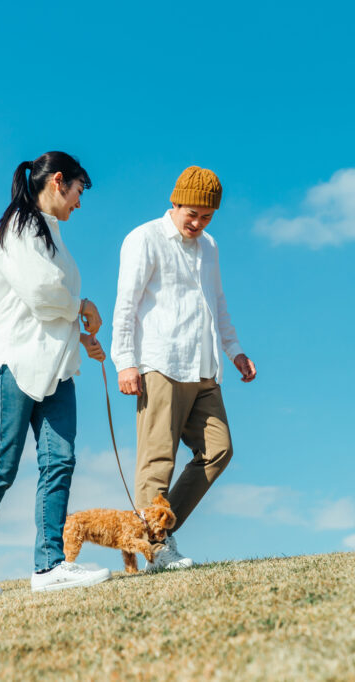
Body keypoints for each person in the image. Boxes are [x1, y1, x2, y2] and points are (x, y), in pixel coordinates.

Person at [0, 152, 112, 597]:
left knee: (60, 462)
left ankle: (50, 565)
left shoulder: (53, 235)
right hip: (14, 365)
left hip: (55, 368)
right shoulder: (19, 227)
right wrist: (82, 306)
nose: (79, 202)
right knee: (1, 467)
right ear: (59, 181)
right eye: (78, 191)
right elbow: (42, 294)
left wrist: (79, 338)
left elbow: (46, 308)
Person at [111, 165, 256, 571]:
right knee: (157, 460)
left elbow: (217, 302)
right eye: (192, 214)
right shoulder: (144, 238)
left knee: (219, 450)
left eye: (207, 216)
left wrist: (234, 350)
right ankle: (157, 549)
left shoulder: (210, 246)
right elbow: (126, 303)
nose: (198, 223)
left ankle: (155, 532)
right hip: (161, 362)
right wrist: (126, 361)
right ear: (174, 203)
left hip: (204, 365)